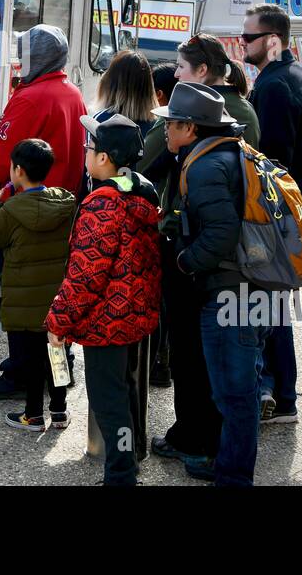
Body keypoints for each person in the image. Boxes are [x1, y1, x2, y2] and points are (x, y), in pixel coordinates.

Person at [155, 81, 266, 486]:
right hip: (257, 282)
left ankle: (233, 475)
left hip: (230, 290)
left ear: (192, 128)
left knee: (233, 393)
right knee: (241, 386)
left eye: (171, 124)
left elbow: (220, 232)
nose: (166, 130)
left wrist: (186, 261)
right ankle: (227, 463)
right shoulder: (233, 152)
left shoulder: (204, 167)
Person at [0, 24, 88, 400]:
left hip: (24, 213)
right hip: (63, 210)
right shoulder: (73, 94)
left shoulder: (29, 97)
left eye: (24, 52)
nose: (19, 60)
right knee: (55, 301)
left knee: (22, 300)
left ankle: (21, 373)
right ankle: (59, 371)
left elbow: (2, 157)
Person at [46, 115, 161, 486]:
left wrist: (58, 320)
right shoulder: (141, 190)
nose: (85, 152)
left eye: (89, 148)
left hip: (106, 323)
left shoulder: (102, 205)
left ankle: (121, 476)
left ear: (105, 159)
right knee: (124, 394)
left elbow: (84, 276)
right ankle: (129, 462)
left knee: (109, 404)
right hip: (135, 316)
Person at [242, 3, 302, 426]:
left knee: (265, 309)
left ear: (272, 40)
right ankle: (281, 394)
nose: (242, 42)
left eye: (249, 37)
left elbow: (271, 163)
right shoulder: (289, 75)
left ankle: (277, 392)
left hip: (275, 220)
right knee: (272, 309)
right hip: (288, 215)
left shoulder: (275, 87)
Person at [0, 139, 76, 431]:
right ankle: (59, 411)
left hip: (24, 303)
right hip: (56, 300)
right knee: (56, 354)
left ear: (18, 171)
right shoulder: (64, 203)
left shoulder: (11, 210)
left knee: (32, 361)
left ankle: (33, 415)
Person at [141, 61, 177, 389]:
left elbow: (145, 168)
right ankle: (162, 361)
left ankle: (158, 361)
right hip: (166, 219)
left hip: (164, 224)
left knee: (161, 299)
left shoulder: (161, 128)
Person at [88, 49, 159, 190]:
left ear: (110, 83)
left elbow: (89, 170)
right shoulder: (157, 125)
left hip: (102, 200)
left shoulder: (100, 120)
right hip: (142, 202)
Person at [174, 35, 261, 147]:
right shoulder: (246, 107)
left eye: (181, 66)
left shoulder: (194, 108)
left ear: (202, 70)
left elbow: (148, 158)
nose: (176, 74)